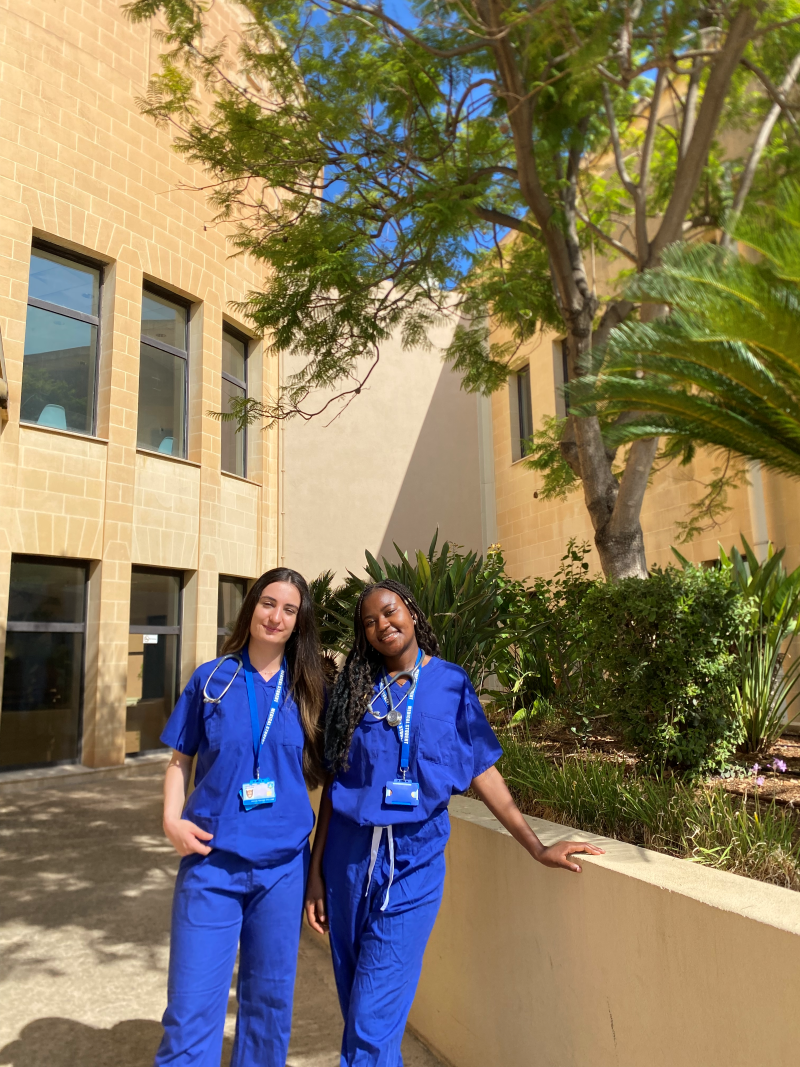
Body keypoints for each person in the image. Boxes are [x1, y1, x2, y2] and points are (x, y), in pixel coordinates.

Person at [305, 579, 604, 1067]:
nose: (383, 625)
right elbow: (337, 788)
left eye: (390, 611)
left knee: (370, 1021)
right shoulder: (355, 690)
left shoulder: (450, 683)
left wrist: (535, 845)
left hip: (414, 863)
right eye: (370, 621)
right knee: (357, 1005)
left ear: (412, 612)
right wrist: (316, 874)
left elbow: (482, 769)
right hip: (347, 861)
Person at [155, 567, 326, 1067]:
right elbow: (179, 761)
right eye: (268, 603)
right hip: (211, 862)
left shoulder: (309, 691)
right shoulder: (211, 679)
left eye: (289, 609)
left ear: (298, 622)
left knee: (269, 1007)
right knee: (190, 1008)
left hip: (283, 871)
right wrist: (171, 820)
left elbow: (339, 775)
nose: (276, 617)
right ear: (251, 607)